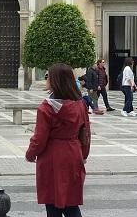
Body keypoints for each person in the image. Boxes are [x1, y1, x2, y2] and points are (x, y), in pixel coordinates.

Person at [25, 63, 90, 217]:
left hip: (52, 157)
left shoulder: (46, 109)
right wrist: (84, 154)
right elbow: (85, 133)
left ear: (55, 81)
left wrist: (30, 154)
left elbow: (39, 138)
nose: (46, 79)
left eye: (48, 77)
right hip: (73, 153)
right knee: (71, 204)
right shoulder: (80, 105)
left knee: (53, 205)